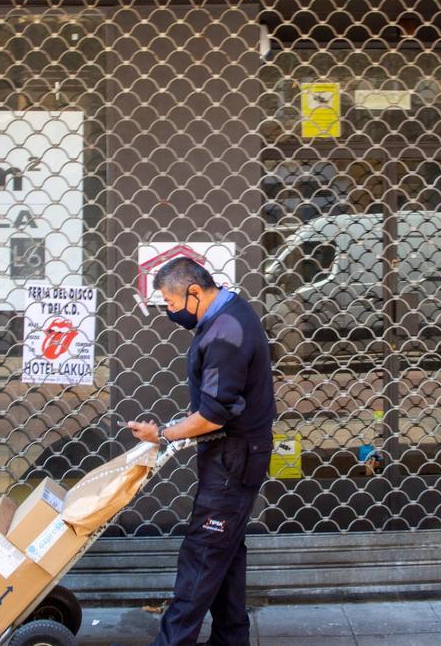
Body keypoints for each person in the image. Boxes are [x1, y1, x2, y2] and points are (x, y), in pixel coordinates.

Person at [126, 258, 275, 646]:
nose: (170, 312)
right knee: (226, 554)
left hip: (233, 458)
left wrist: (162, 435)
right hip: (234, 454)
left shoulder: (225, 333)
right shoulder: (228, 314)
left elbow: (212, 414)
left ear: (194, 291)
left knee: (203, 554)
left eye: (171, 303)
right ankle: (231, 639)